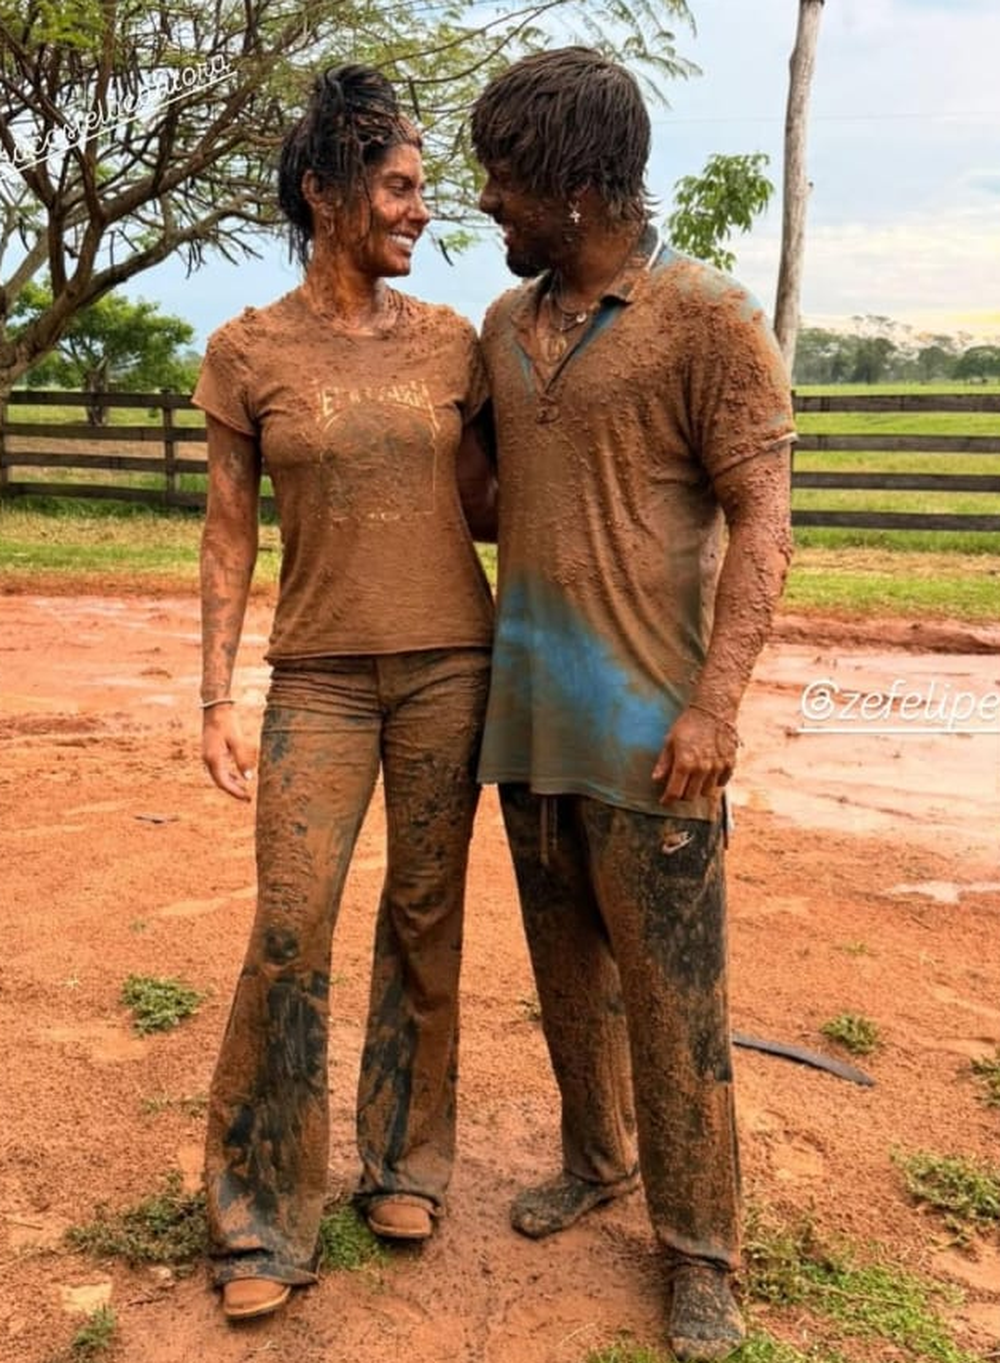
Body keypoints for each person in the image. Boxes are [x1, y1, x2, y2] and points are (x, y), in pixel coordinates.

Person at [470, 48, 795, 1363]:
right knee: (566, 984)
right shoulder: (504, 328)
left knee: (674, 1003)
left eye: (507, 179)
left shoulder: (706, 318)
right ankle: (594, 1157)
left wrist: (716, 708)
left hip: (658, 740)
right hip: (530, 725)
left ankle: (700, 1252)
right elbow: (493, 507)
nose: (486, 202)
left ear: (582, 185)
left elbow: (765, 522)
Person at [193, 64, 495, 1322]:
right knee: (289, 928)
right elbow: (225, 537)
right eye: (399, 186)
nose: (421, 210)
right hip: (314, 678)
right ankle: (258, 1216)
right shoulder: (247, 351)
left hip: (449, 666)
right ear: (324, 192)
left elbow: (491, 504)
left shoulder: (454, 343)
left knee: (423, 919)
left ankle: (405, 1160)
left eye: (422, 189)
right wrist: (213, 694)